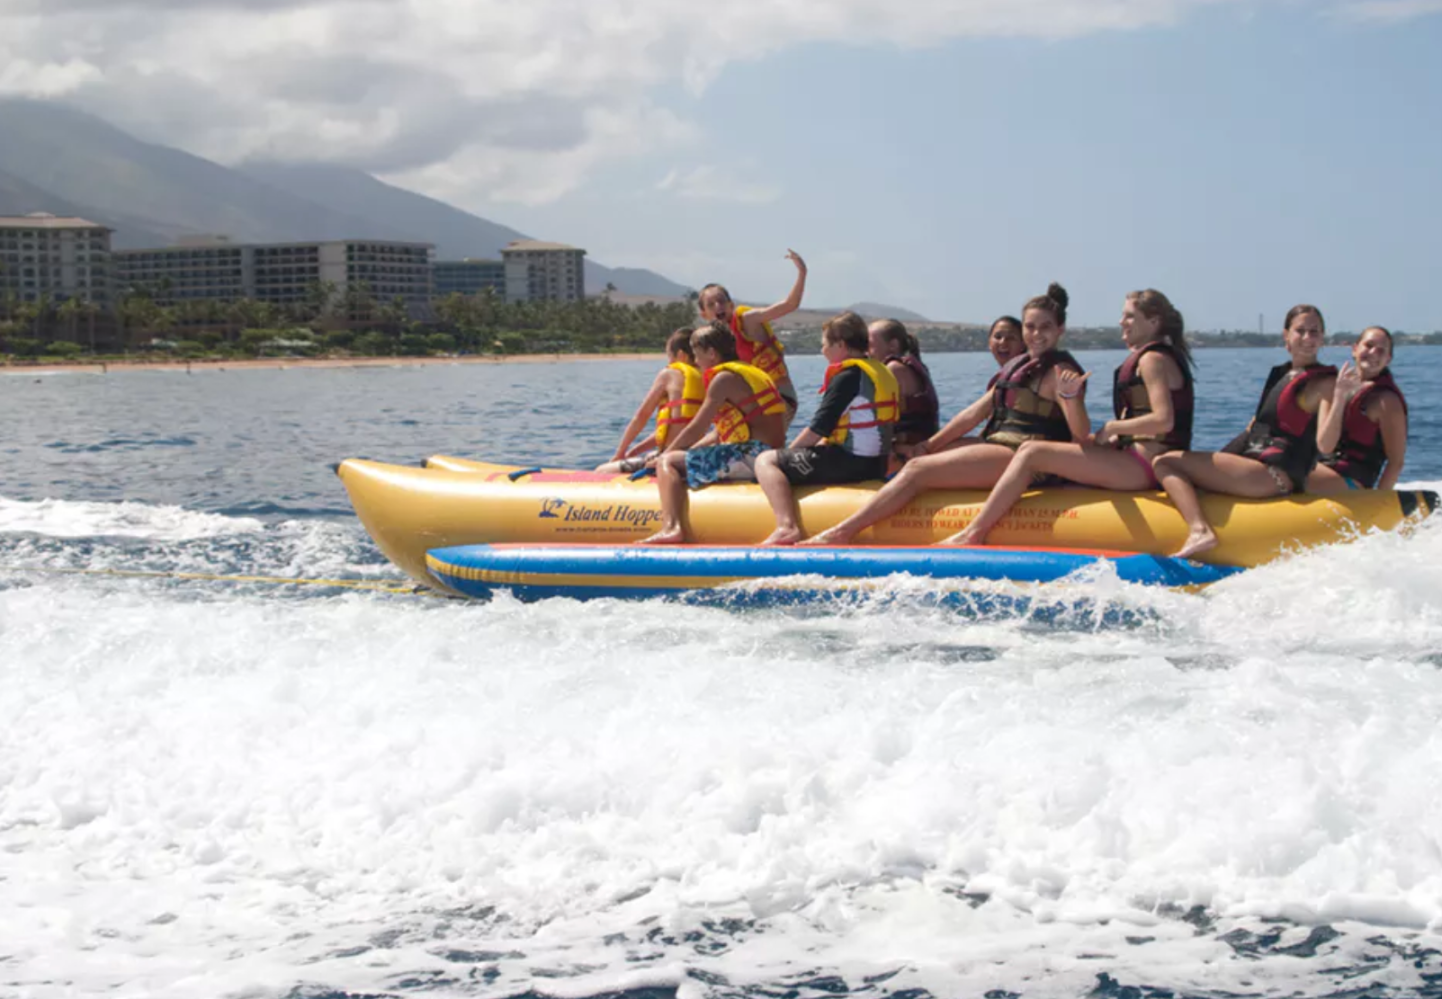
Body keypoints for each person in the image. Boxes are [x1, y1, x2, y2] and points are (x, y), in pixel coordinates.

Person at [802, 283, 1089, 546]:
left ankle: (842, 532)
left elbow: (1079, 437)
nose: (1037, 334)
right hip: (999, 446)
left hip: (1024, 460)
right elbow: (972, 414)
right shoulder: (1021, 366)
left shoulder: (1061, 372)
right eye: (1031, 326)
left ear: (1060, 329)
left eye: (1045, 327)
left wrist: (1071, 397)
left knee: (916, 470)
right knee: (919, 460)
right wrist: (929, 445)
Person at [941, 289, 1194, 546]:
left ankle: (974, 533)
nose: (1121, 322)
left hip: (1143, 464)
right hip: (1137, 458)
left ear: (1153, 322)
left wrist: (1111, 427)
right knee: (1077, 446)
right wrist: (1104, 436)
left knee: (1031, 452)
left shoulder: (1152, 359)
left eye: (1129, 316)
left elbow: (1164, 420)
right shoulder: (1154, 356)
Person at [1153, 304, 1338, 559]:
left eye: (1314, 332)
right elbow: (1252, 431)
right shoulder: (1282, 374)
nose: (1308, 338)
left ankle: (1200, 530)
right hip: (1256, 468)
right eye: (1301, 331)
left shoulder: (1327, 383)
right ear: (1286, 335)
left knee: (1165, 462)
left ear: (1323, 337)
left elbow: (1326, 445)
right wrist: (1214, 465)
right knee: (1188, 468)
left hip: (1274, 475)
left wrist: (1339, 400)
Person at [755, 312, 900, 545]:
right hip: (877, 464)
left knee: (765, 460)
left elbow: (818, 430)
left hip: (850, 463)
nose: (822, 351)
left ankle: (786, 527)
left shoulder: (847, 377)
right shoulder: (881, 371)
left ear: (841, 345)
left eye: (824, 345)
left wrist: (786, 456)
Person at [638, 322, 787, 544]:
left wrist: (664, 455)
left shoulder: (722, 379)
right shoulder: (748, 372)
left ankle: (671, 527)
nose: (696, 362)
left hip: (750, 456)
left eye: (698, 355)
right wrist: (689, 451)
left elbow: (697, 427)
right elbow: (719, 433)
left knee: (668, 463)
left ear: (712, 353)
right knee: (678, 457)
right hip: (766, 454)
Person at [697, 250, 807, 422]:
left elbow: (789, 305)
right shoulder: (713, 341)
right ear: (704, 314)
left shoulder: (748, 321)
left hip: (780, 399)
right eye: (711, 304)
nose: (718, 307)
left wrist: (802, 273)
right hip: (753, 402)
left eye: (722, 301)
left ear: (731, 305)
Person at [1308, 325, 1407, 492]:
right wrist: (1339, 398)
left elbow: (1396, 462)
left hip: (1352, 483)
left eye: (1381, 351)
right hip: (1323, 470)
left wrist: (1378, 505)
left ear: (1388, 359)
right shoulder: (1336, 385)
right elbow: (1325, 445)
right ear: (1355, 349)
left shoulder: (1387, 401)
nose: (1374, 353)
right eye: (1368, 346)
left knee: (1290, 470)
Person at [596, 328, 703, 474]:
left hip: (670, 459)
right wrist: (634, 450)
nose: (669, 362)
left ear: (681, 355)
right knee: (648, 455)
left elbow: (641, 416)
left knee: (601, 471)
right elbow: (675, 426)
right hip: (693, 456)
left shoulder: (668, 374)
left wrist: (620, 453)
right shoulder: (704, 379)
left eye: (669, 356)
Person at [868, 318, 939, 453]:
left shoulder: (894, 369)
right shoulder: (911, 365)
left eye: (869, 345)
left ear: (893, 345)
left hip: (909, 449)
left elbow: (877, 415)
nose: (866, 351)